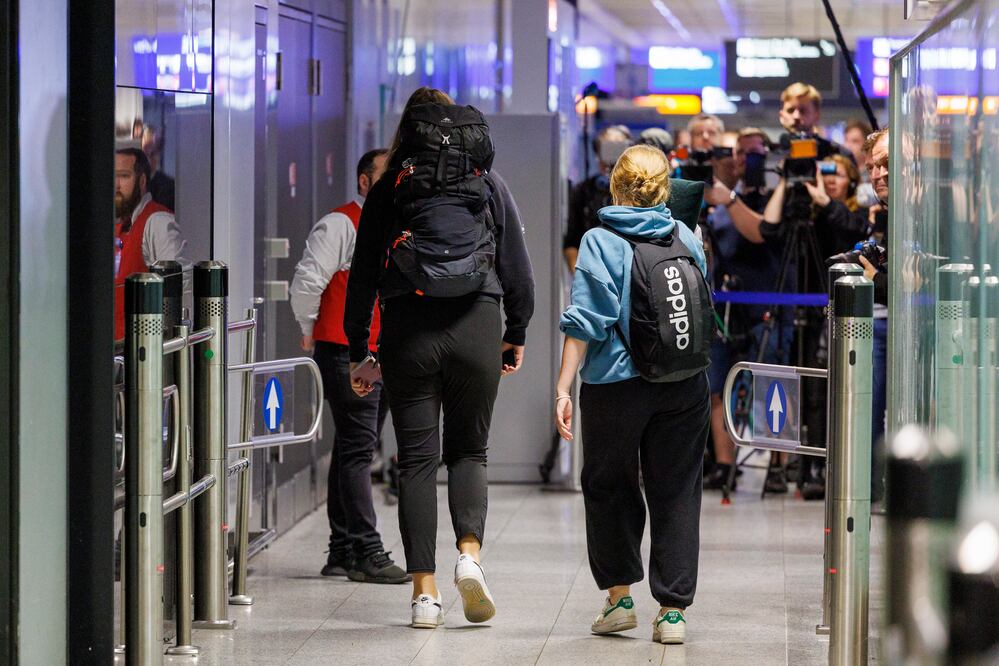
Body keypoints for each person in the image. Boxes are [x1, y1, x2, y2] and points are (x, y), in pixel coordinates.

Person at [344, 87, 535, 628]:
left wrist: (360, 349)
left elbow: (362, 276)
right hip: (478, 322)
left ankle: (424, 594)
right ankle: (470, 557)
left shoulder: (390, 187)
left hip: (409, 330)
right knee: (470, 451)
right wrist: (514, 330)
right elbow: (519, 269)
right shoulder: (487, 182)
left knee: (417, 460)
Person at [555, 144, 710, 645]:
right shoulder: (686, 234)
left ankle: (619, 599)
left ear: (614, 185)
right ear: (666, 187)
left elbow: (587, 320)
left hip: (616, 387)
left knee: (609, 486)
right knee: (677, 489)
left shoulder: (600, 240)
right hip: (684, 380)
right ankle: (671, 613)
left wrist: (562, 385)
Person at [290, 148, 409, 584]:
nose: (396, 181)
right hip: (348, 352)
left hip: (379, 352)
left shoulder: (392, 226)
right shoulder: (341, 224)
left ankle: (342, 548)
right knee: (360, 448)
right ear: (364, 181)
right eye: (385, 174)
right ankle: (366, 549)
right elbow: (306, 283)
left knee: (352, 447)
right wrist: (309, 327)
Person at [701, 129, 793, 492]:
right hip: (726, 307)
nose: (745, 160)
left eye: (754, 154)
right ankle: (724, 465)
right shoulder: (719, 199)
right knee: (718, 389)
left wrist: (731, 199)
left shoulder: (776, 195)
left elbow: (761, 232)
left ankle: (777, 467)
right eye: (739, 153)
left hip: (770, 305)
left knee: (775, 388)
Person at [113, 147, 188, 341]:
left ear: (142, 181)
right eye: (112, 176)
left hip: (144, 351)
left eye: (124, 176)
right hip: (116, 352)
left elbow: (180, 287)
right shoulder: (118, 225)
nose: (116, 185)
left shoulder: (158, 222)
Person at [564, 125, 632, 271]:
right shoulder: (583, 190)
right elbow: (572, 240)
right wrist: (580, 278)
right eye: (607, 147)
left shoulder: (636, 190)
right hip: (592, 267)